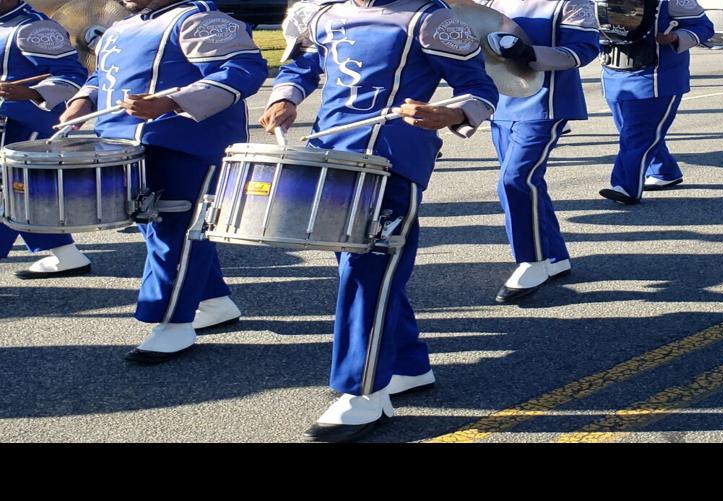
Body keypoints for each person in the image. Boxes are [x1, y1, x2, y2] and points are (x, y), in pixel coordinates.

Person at [261, 0, 498, 441]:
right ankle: (409, 365)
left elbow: (480, 87)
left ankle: (363, 392)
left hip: (392, 162)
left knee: (367, 272)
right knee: (366, 270)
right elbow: (304, 63)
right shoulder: (324, 14)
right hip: (330, 155)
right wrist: (285, 98)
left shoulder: (431, 19)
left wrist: (450, 113)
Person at [58, 0, 267, 358]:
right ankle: (214, 301)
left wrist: (171, 101)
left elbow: (243, 68)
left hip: (186, 145)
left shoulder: (200, 20)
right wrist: (82, 101)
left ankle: (173, 323)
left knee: (178, 233)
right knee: (159, 231)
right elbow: (103, 75)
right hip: (125, 146)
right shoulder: (122, 27)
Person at [480, 0, 600, 303]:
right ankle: (554, 256)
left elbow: (583, 49)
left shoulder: (570, 2)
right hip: (501, 103)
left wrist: (528, 53)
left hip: (545, 103)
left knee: (516, 180)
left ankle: (531, 261)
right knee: (529, 183)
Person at [0, 0, 93, 280]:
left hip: (24, 124)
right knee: (25, 191)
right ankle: (67, 255)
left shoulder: (33, 28)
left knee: (11, 191)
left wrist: (31, 92)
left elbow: (73, 75)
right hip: (9, 125)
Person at [596, 0, 714, 205]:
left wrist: (677, 37)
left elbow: (704, 26)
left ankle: (626, 186)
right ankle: (665, 171)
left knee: (637, 135)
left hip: (656, 77)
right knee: (631, 131)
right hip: (614, 74)